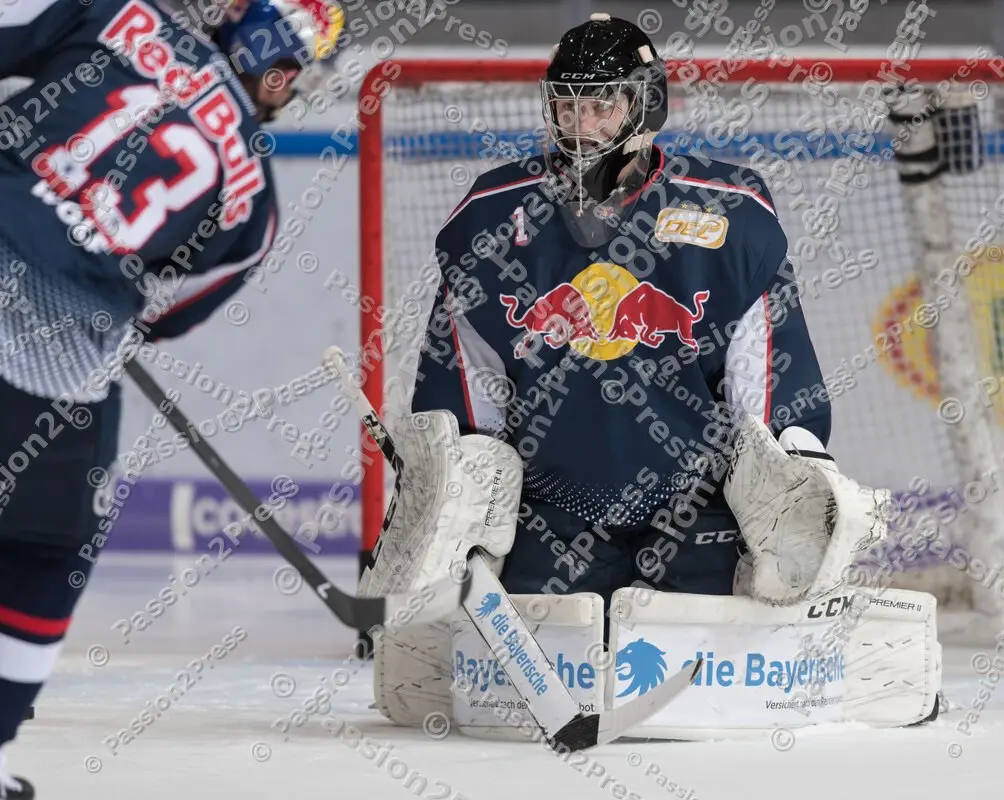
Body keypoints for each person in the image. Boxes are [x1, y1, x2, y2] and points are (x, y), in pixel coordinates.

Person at [361, 13, 898, 733]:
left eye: (602, 103)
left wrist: (799, 472)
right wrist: (452, 490)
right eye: (567, 104)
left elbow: (768, 387)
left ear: (644, 105)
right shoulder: (490, 222)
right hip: (552, 512)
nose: (580, 124)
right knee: (511, 695)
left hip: (695, 508)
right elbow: (470, 391)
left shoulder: (729, 216)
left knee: (710, 713)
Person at [0, 0, 342, 794]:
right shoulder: (253, 201)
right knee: (44, 552)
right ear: (280, 70)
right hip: (55, 368)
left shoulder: (115, 13)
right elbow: (166, 316)